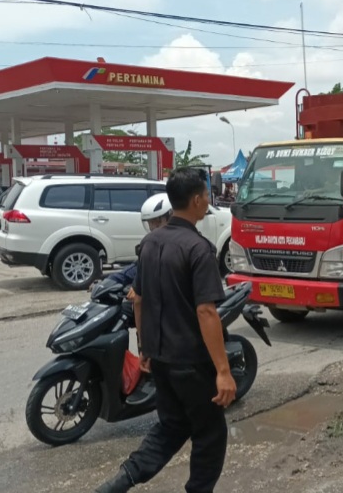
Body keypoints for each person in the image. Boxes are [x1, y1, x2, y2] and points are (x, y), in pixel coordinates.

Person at [94, 167, 234, 493]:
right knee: (211, 435)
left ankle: (119, 482)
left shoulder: (150, 243)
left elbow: (137, 300)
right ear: (198, 200)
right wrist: (223, 371)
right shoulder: (198, 249)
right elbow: (206, 311)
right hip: (190, 362)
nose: (208, 202)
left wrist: (145, 350)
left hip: (160, 359)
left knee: (172, 426)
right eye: (206, 196)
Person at [103, 193, 173, 293]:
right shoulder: (152, 243)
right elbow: (137, 268)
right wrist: (110, 280)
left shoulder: (186, 243)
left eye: (157, 222)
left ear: (170, 217)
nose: (153, 227)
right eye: (150, 222)